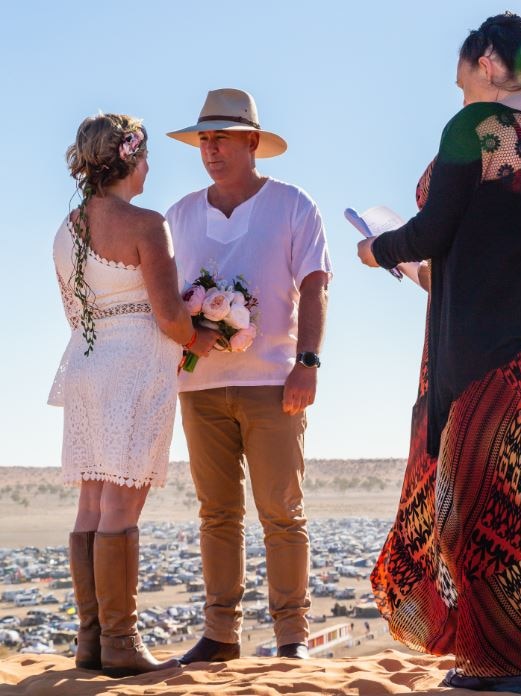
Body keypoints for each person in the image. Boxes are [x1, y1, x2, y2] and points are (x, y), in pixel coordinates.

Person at [358, 12, 521, 691]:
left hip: (483, 349)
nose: (459, 95)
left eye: (461, 80)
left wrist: (379, 249)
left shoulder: (476, 127)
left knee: (474, 510)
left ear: (486, 60)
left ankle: (498, 661)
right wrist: (425, 271)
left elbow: (434, 228)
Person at [165, 88, 332, 662]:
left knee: (282, 512)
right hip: (199, 387)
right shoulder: (178, 215)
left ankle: (293, 639)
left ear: (252, 142)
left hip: (274, 385)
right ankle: (220, 637)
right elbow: (164, 301)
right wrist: (189, 336)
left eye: (222, 137)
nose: (210, 149)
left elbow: (315, 283)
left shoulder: (293, 204)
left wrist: (306, 363)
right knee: (217, 513)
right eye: (203, 139)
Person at [48, 113, 202, 677]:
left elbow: (73, 311)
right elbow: (169, 316)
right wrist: (204, 334)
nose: (149, 167)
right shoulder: (145, 223)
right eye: (145, 156)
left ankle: (90, 642)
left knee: (90, 500)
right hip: (135, 367)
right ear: (129, 159)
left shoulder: (65, 232)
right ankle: (120, 642)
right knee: (121, 502)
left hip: (85, 364)